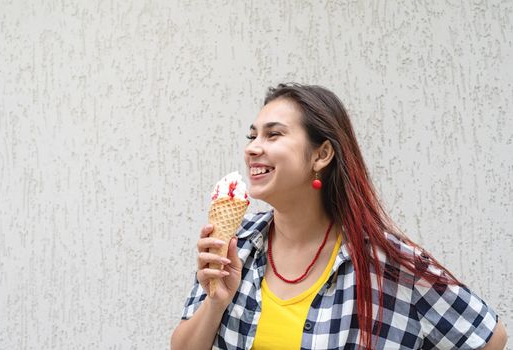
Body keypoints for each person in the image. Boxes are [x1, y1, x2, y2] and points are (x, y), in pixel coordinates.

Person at [171, 83, 507, 349]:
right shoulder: (236, 245)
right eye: (252, 135)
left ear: (322, 154)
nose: (252, 147)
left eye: (273, 134)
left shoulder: (387, 263)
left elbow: (491, 339)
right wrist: (217, 301)